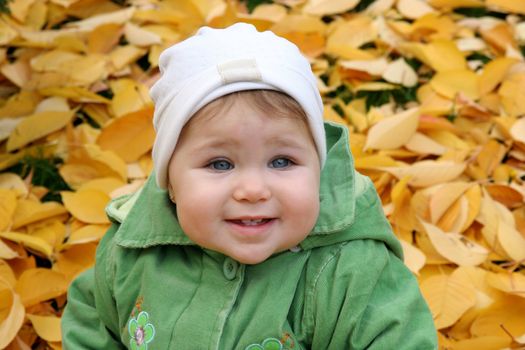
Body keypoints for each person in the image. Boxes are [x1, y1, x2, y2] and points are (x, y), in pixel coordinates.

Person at [62, 23, 437, 349]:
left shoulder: (353, 272)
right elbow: (95, 323)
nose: (253, 190)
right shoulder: (131, 253)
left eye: (281, 162)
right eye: (220, 164)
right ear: (171, 183)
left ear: (317, 170)